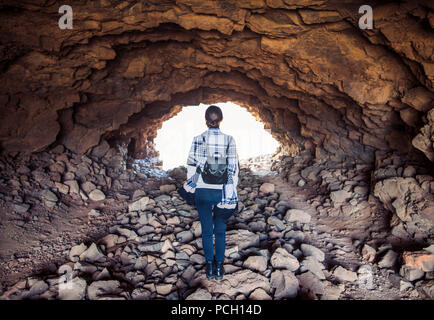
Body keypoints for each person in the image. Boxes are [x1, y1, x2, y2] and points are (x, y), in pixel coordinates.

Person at [183, 105, 239, 280]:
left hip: (203, 190)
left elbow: (191, 168)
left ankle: (209, 267)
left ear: (206, 121)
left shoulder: (198, 139)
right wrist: (230, 194)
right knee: (220, 230)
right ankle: (219, 268)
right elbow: (233, 170)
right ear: (221, 120)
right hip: (222, 191)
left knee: (207, 230)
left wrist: (191, 188)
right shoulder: (230, 140)